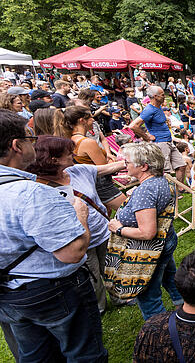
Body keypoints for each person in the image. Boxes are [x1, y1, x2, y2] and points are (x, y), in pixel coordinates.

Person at [0, 109, 108, 362]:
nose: (34, 145)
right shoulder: (32, 193)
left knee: (36, 355)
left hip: (9, 292)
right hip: (52, 291)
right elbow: (72, 252)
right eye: (31, 139)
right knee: (83, 353)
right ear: (17, 146)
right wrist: (80, 214)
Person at [27, 136, 126, 314]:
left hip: (102, 231)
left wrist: (133, 158)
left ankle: (120, 297)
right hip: (80, 239)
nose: (73, 155)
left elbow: (110, 167)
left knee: (112, 267)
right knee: (92, 276)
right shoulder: (40, 188)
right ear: (53, 160)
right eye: (68, 153)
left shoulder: (78, 170)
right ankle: (99, 308)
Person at [108, 142, 184, 319]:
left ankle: (161, 333)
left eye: (127, 162)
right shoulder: (160, 180)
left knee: (148, 295)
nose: (124, 165)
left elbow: (147, 233)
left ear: (144, 166)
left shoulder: (146, 191)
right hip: (166, 241)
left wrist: (118, 229)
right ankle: (184, 306)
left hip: (150, 249)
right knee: (170, 276)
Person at [57, 105, 127, 212]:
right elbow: (104, 168)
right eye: (90, 117)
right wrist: (113, 160)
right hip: (103, 186)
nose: (93, 120)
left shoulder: (69, 139)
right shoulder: (88, 142)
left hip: (88, 185)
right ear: (82, 121)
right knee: (129, 209)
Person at [128, 86, 186, 184]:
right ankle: (168, 193)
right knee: (166, 171)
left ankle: (179, 188)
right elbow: (133, 125)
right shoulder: (149, 110)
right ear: (155, 96)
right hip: (160, 143)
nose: (164, 96)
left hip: (169, 141)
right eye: (163, 95)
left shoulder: (158, 107)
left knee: (181, 166)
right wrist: (147, 137)